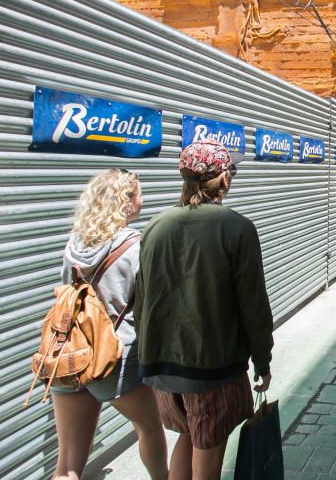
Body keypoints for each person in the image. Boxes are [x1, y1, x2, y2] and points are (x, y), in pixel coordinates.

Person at [134, 140, 274, 480]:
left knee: (187, 435)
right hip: (211, 369)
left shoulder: (154, 227)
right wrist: (263, 361)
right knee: (208, 459)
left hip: (162, 369)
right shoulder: (236, 227)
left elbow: (142, 301)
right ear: (223, 180)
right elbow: (253, 306)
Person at [52, 168, 168, 480]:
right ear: (126, 201)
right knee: (149, 428)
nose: (143, 201)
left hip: (68, 356)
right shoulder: (136, 245)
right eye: (139, 194)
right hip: (113, 359)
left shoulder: (74, 243)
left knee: (67, 466)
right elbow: (150, 306)